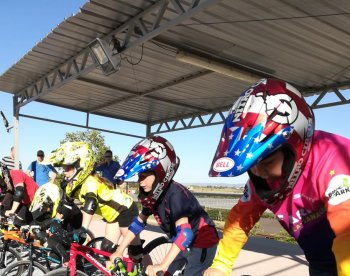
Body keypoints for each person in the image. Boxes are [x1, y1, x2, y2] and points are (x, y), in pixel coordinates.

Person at [203, 78, 350, 276]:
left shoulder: (333, 160)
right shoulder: (261, 177)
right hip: (319, 259)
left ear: (295, 145)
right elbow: (240, 219)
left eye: (266, 162)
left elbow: (347, 230)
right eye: (252, 166)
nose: (258, 172)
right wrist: (221, 265)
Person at [109, 136, 220, 276]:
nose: (140, 182)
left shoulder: (175, 195)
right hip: (183, 243)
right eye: (139, 177)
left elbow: (185, 234)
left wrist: (162, 264)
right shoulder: (154, 194)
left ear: (160, 173)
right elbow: (138, 223)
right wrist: (120, 250)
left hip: (202, 242)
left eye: (144, 176)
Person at [45, 141, 142, 263]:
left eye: (68, 168)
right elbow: (66, 204)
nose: (64, 172)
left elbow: (91, 202)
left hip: (125, 209)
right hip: (112, 216)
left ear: (80, 166)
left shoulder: (90, 182)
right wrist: (56, 221)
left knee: (136, 252)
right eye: (63, 168)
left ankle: (148, 270)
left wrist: (83, 228)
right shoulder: (75, 184)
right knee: (107, 249)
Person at [0, 161, 38, 227]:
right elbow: (6, 194)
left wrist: (12, 210)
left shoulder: (15, 174)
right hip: (27, 203)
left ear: (3, 174)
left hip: (36, 201)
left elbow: (19, 192)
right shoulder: (9, 182)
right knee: (18, 224)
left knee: (19, 223)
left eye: (0, 180)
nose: (1, 183)